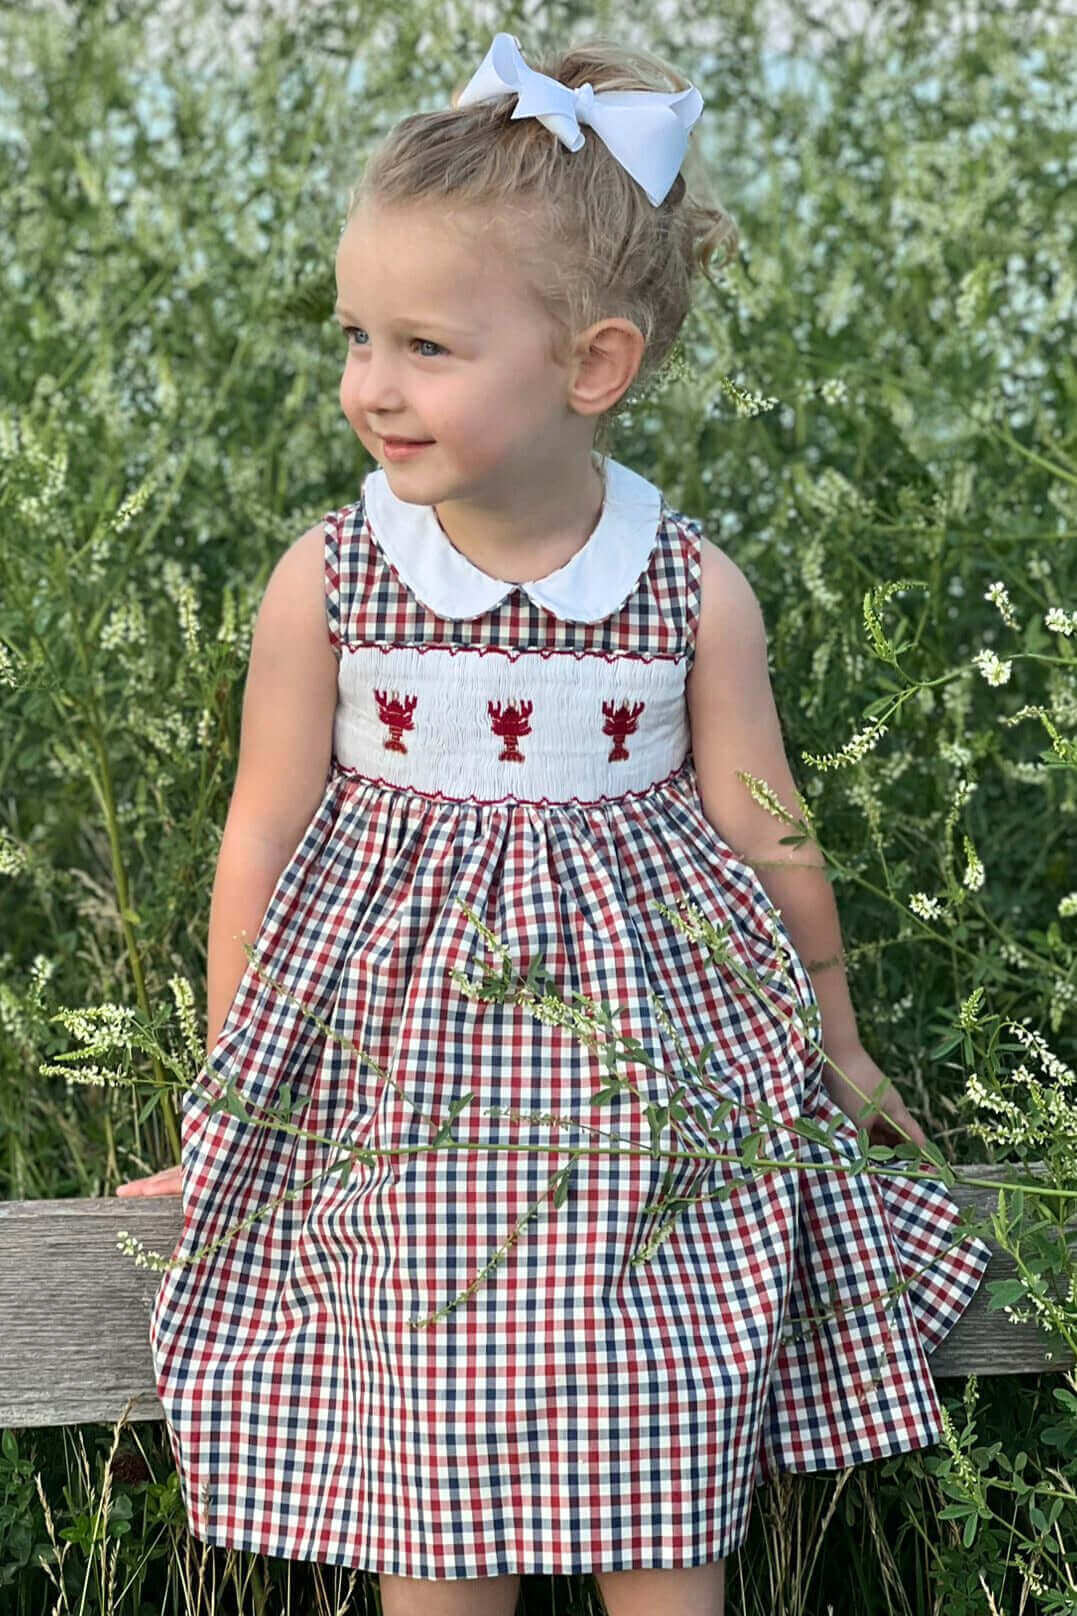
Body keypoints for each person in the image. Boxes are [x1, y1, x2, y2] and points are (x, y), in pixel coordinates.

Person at [116, 32, 993, 1616]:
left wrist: (839, 1046)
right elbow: (260, 837)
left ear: (590, 365)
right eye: (357, 335)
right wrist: (228, 1104)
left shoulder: (686, 588)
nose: (370, 384)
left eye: (428, 347)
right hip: (407, 1112)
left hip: (650, 1108)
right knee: (431, 1499)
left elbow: (766, 832)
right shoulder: (328, 582)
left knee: (665, 1471)